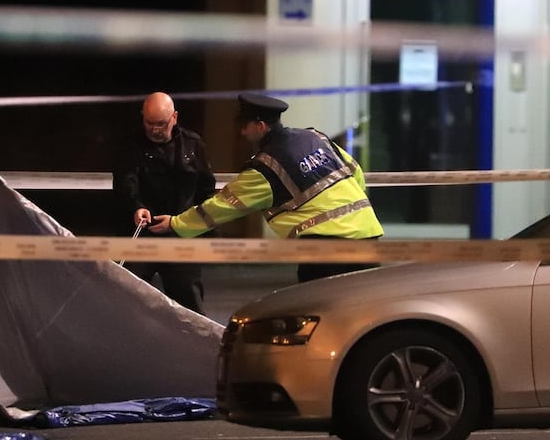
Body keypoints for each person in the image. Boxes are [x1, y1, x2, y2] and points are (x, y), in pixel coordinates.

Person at [150, 93, 383, 282]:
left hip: (327, 251)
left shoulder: (266, 168)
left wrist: (176, 224)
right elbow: (355, 171)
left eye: (245, 126)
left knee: (322, 318)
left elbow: (220, 207)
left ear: (260, 126)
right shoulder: (315, 138)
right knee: (362, 314)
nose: (241, 133)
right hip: (369, 236)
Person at [112, 92, 216, 315]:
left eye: (160, 124)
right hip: (141, 233)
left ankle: (196, 346)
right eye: (149, 123)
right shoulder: (130, 145)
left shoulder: (193, 145)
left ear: (174, 118)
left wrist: (195, 225)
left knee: (189, 300)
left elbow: (206, 190)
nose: (155, 129)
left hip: (180, 233)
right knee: (128, 295)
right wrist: (136, 206)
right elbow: (125, 181)